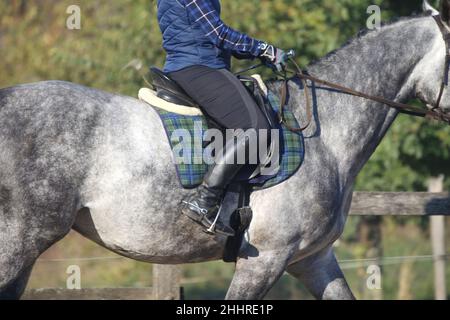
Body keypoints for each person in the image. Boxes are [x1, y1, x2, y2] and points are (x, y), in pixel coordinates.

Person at [157, 0, 288, 236]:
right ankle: (204, 200)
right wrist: (264, 48)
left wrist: (257, 53)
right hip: (198, 67)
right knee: (256, 129)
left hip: (192, 64)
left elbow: (208, 37)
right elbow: (220, 34)